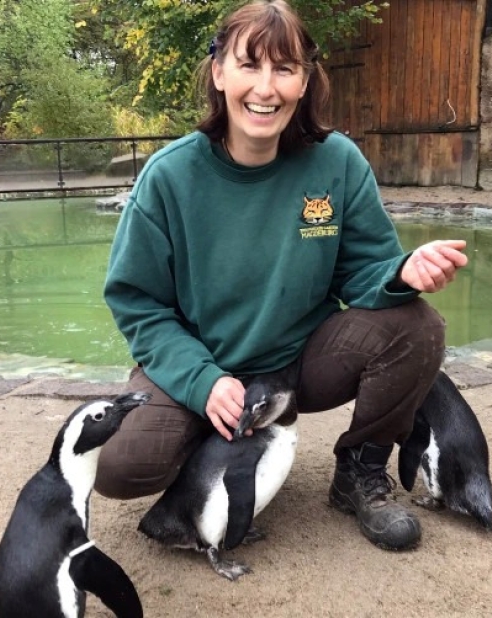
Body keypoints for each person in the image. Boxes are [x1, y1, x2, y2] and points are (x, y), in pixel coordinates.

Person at [96, 0, 467, 551]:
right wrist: (202, 383)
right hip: (203, 359)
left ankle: (359, 472)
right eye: (249, 65)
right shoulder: (169, 176)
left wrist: (403, 272)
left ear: (304, 81)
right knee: (119, 467)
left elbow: (364, 272)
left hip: (299, 364)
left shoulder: (336, 161)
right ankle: (219, 435)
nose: (265, 88)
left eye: (284, 68)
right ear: (219, 73)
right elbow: (138, 304)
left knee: (417, 325)